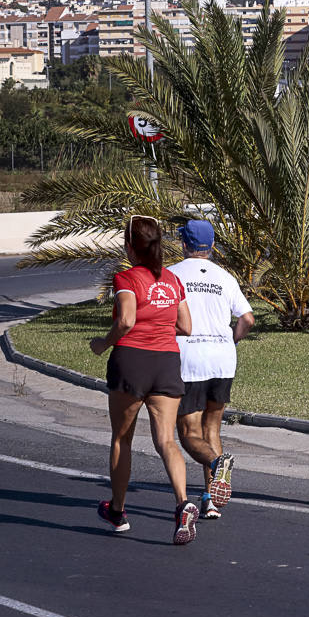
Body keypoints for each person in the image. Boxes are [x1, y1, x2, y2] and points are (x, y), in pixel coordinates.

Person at [89, 215, 201, 545]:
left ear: (129, 247)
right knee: (166, 439)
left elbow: (125, 320)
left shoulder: (126, 278)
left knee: (122, 438)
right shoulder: (171, 280)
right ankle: (182, 503)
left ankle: (118, 511)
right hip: (167, 362)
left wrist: (102, 344)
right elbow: (186, 327)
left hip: (132, 361)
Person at [170, 220, 255, 521]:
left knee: (188, 433)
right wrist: (231, 340)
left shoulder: (172, 274)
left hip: (188, 359)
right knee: (212, 429)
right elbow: (247, 318)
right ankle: (211, 500)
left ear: (184, 245)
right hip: (222, 358)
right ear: (212, 246)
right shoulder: (225, 277)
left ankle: (219, 464)